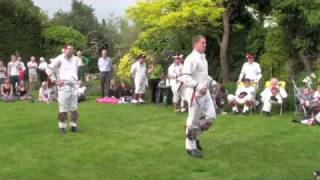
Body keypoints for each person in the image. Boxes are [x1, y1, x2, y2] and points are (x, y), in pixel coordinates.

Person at [179, 35, 216, 158]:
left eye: (205, 43)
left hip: (206, 93)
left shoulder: (203, 58)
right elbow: (184, 76)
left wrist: (211, 82)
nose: (205, 45)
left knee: (211, 117)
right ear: (195, 44)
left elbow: (203, 75)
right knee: (193, 121)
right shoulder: (191, 58)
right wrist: (197, 86)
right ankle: (191, 147)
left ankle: (195, 136)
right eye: (202, 43)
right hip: (196, 93)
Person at [46, 44, 79, 134]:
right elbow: (48, 69)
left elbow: (78, 67)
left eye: (72, 49)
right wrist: (55, 81)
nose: (71, 51)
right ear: (64, 50)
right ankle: (62, 127)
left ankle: (73, 126)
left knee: (74, 107)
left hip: (74, 85)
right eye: (69, 49)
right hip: (63, 86)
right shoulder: (59, 59)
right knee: (63, 107)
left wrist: (77, 80)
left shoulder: (75, 59)